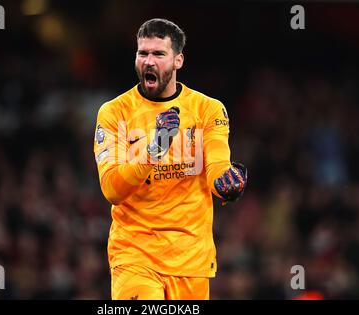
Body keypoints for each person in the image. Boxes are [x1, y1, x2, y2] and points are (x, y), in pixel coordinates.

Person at [93, 18, 247, 300]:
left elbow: (217, 164)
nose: (148, 61)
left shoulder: (208, 109)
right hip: (135, 255)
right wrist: (154, 150)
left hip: (191, 258)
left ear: (178, 60)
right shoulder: (114, 113)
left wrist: (226, 184)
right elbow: (112, 189)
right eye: (143, 53)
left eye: (158, 54)